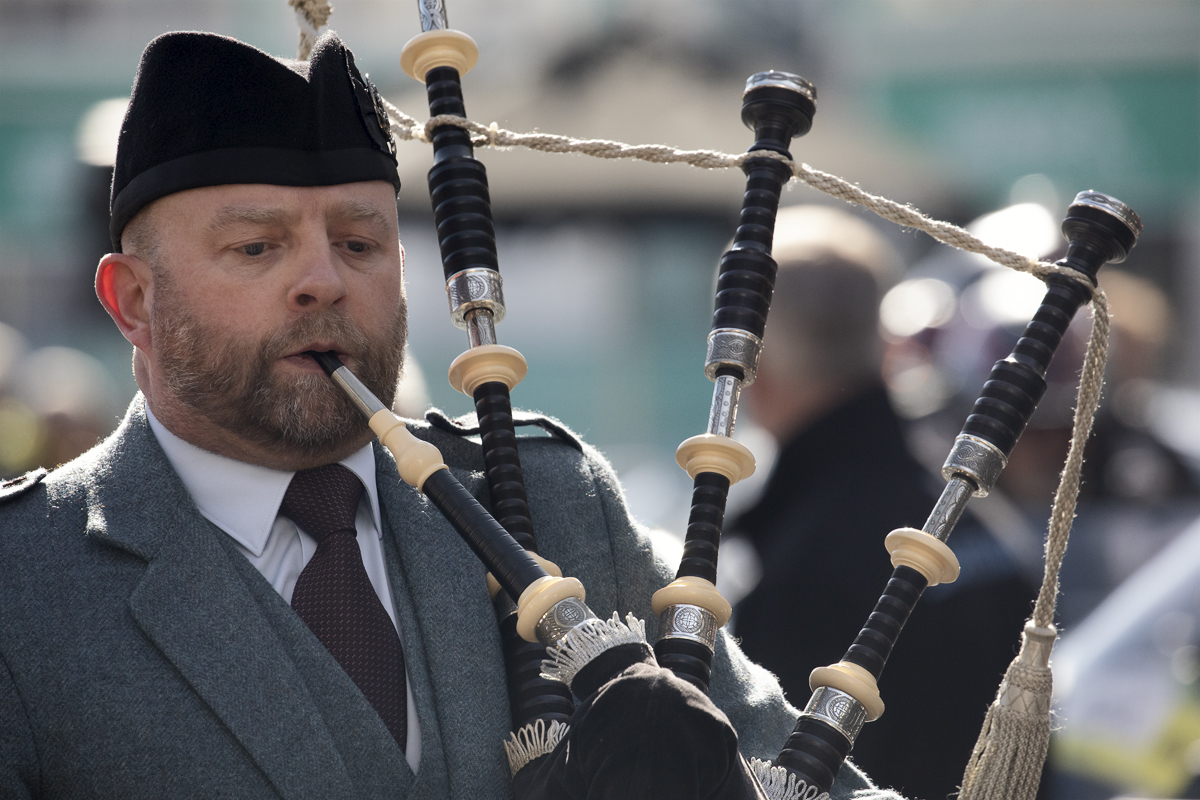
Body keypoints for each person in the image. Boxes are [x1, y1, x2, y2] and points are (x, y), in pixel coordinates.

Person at [0, 32, 903, 800]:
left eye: (359, 243)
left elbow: (802, 777)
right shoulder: (24, 587)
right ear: (133, 303)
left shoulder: (553, 498)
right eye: (255, 246)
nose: (325, 280)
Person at [730, 205, 1036, 800]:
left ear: (752, 365)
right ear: (888, 345)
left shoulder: (799, 558)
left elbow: (771, 776)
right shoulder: (975, 518)